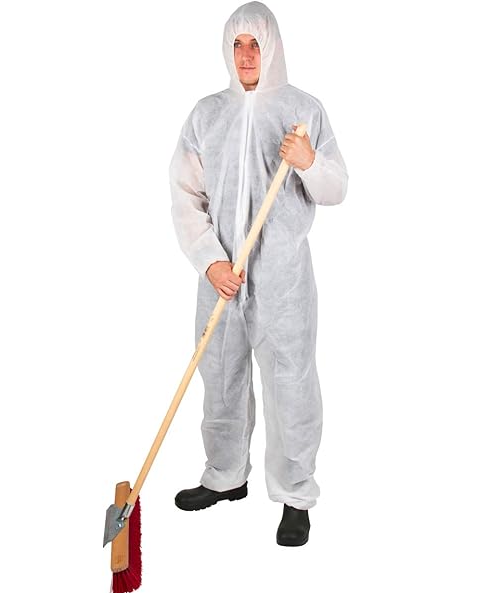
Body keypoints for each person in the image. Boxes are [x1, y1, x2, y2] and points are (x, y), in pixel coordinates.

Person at [168, 1, 348, 546]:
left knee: (290, 381)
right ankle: (225, 476)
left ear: (272, 47)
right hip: (222, 275)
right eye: (237, 44)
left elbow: (336, 188)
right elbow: (185, 195)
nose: (246, 55)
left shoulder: (302, 111)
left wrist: (309, 161)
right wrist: (210, 260)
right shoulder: (206, 114)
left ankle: (295, 494)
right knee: (219, 375)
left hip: (282, 279)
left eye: (255, 44)